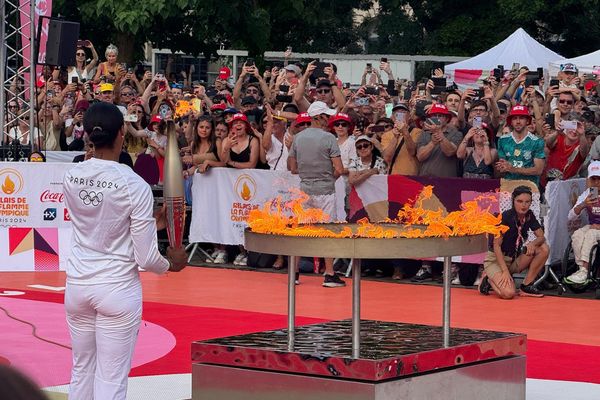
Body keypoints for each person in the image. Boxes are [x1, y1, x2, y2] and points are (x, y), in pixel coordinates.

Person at [62, 102, 187, 400]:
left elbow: (102, 222)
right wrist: (171, 264)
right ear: (121, 133)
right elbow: (145, 257)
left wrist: (148, 223)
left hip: (78, 286)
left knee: (82, 370)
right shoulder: (134, 185)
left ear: (88, 136)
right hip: (117, 289)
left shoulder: (71, 177)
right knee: (111, 379)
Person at [288, 101, 345, 287]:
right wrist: (328, 178)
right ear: (319, 117)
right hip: (325, 190)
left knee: (301, 232)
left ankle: (294, 273)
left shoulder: (298, 138)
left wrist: (308, 173)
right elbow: (339, 168)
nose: (329, 120)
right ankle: (329, 274)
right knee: (326, 232)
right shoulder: (329, 138)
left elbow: (292, 167)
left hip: (304, 189)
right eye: (327, 116)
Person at [479, 185, 548, 298]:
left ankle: (526, 286)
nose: (523, 205)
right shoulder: (505, 217)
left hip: (514, 259)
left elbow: (541, 236)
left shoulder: (529, 215)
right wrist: (505, 271)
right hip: (496, 260)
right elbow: (496, 247)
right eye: (519, 201)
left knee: (543, 248)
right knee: (509, 293)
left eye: (527, 202)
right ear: (513, 201)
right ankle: (488, 279)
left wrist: (532, 243)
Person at [565, 161, 600, 284]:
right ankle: (582, 269)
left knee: (591, 234)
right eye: (593, 179)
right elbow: (570, 217)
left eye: (599, 179)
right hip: (593, 226)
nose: (596, 182)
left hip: (597, 229)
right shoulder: (587, 194)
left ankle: (585, 270)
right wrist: (584, 204)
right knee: (578, 234)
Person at [496, 105, 545, 187]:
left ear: (527, 121)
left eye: (521, 118)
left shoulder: (537, 141)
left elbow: (538, 170)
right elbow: (502, 165)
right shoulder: (502, 140)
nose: (518, 121)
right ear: (511, 122)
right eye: (515, 118)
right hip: (508, 186)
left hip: (529, 187)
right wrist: (501, 167)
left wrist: (513, 169)